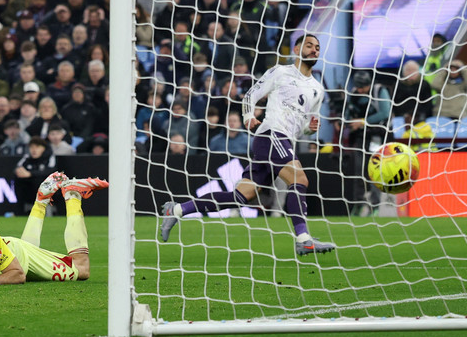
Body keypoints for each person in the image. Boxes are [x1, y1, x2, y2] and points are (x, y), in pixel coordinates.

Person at [159, 34, 336, 256]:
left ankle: (176, 210)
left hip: (283, 139)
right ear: (297, 48)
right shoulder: (280, 72)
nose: (314, 50)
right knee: (300, 178)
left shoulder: (317, 90)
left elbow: (302, 128)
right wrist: (248, 117)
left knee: (241, 196)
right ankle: (303, 238)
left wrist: (310, 127)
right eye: (309, 45)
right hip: (271, 134)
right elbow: (250, 95)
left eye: (318, 47)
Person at [342, 70, 392, 217]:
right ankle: (358, 205)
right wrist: (347, 122)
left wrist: (363, 122)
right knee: (359, 171)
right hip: (360, 137)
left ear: (369, 84)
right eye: (358, 87)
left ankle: (375, 206)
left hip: (377, 136)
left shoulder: (379, 91)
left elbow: (385, 113)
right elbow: (347, 113)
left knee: (374, 171)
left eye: (363, 87)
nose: (360, 90)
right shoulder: (353, 93)